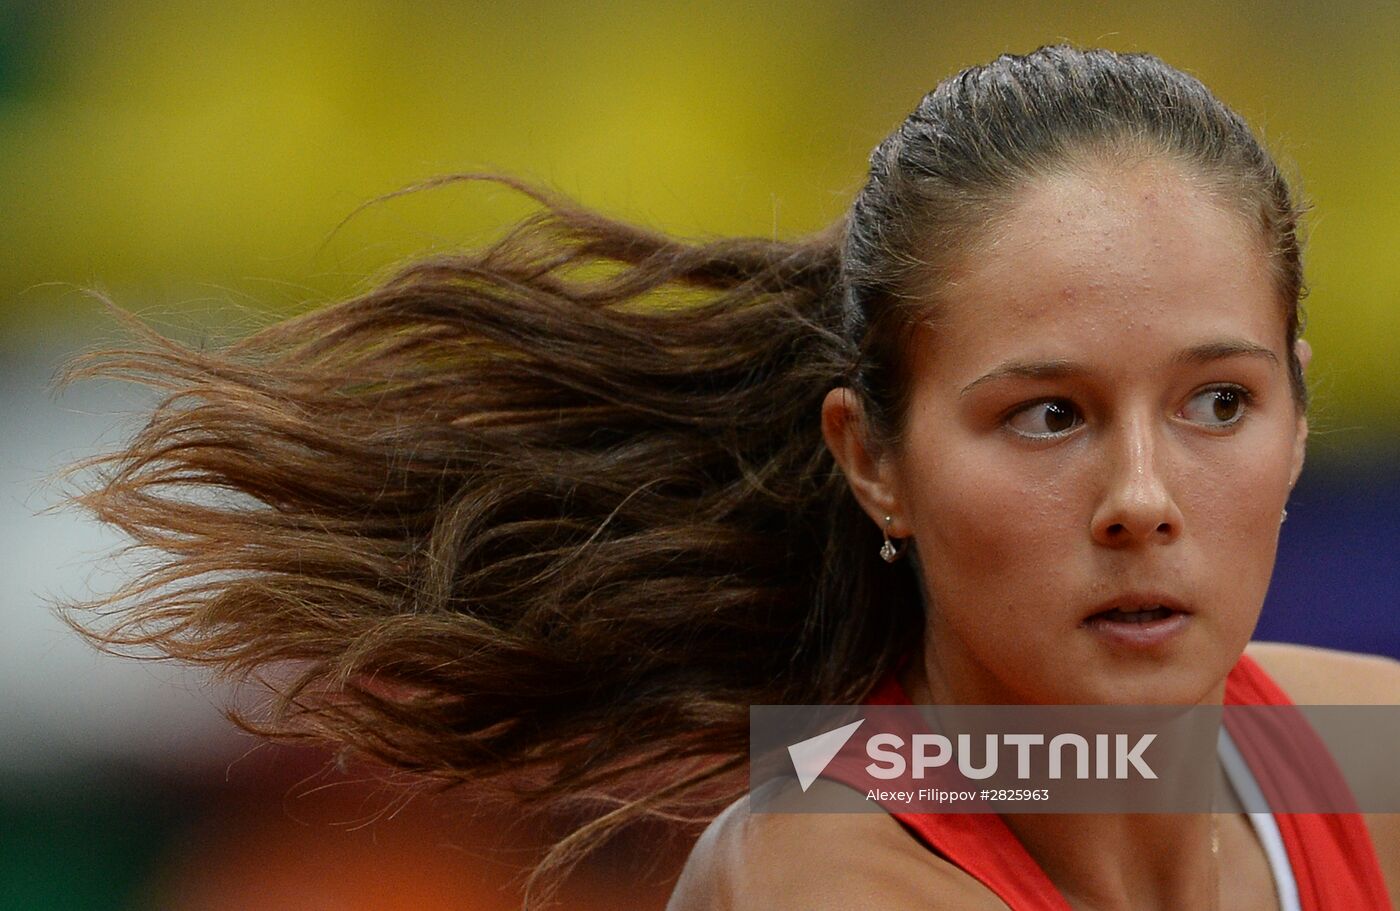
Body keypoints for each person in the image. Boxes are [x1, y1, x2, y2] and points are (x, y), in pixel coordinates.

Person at [65, 45, 1396, 909]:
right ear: (873, 461)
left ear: (1297, 420)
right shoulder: (818, 869)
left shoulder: (1356, 750)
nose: (1145, 495)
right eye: (1048, 414)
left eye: (1219, 402)